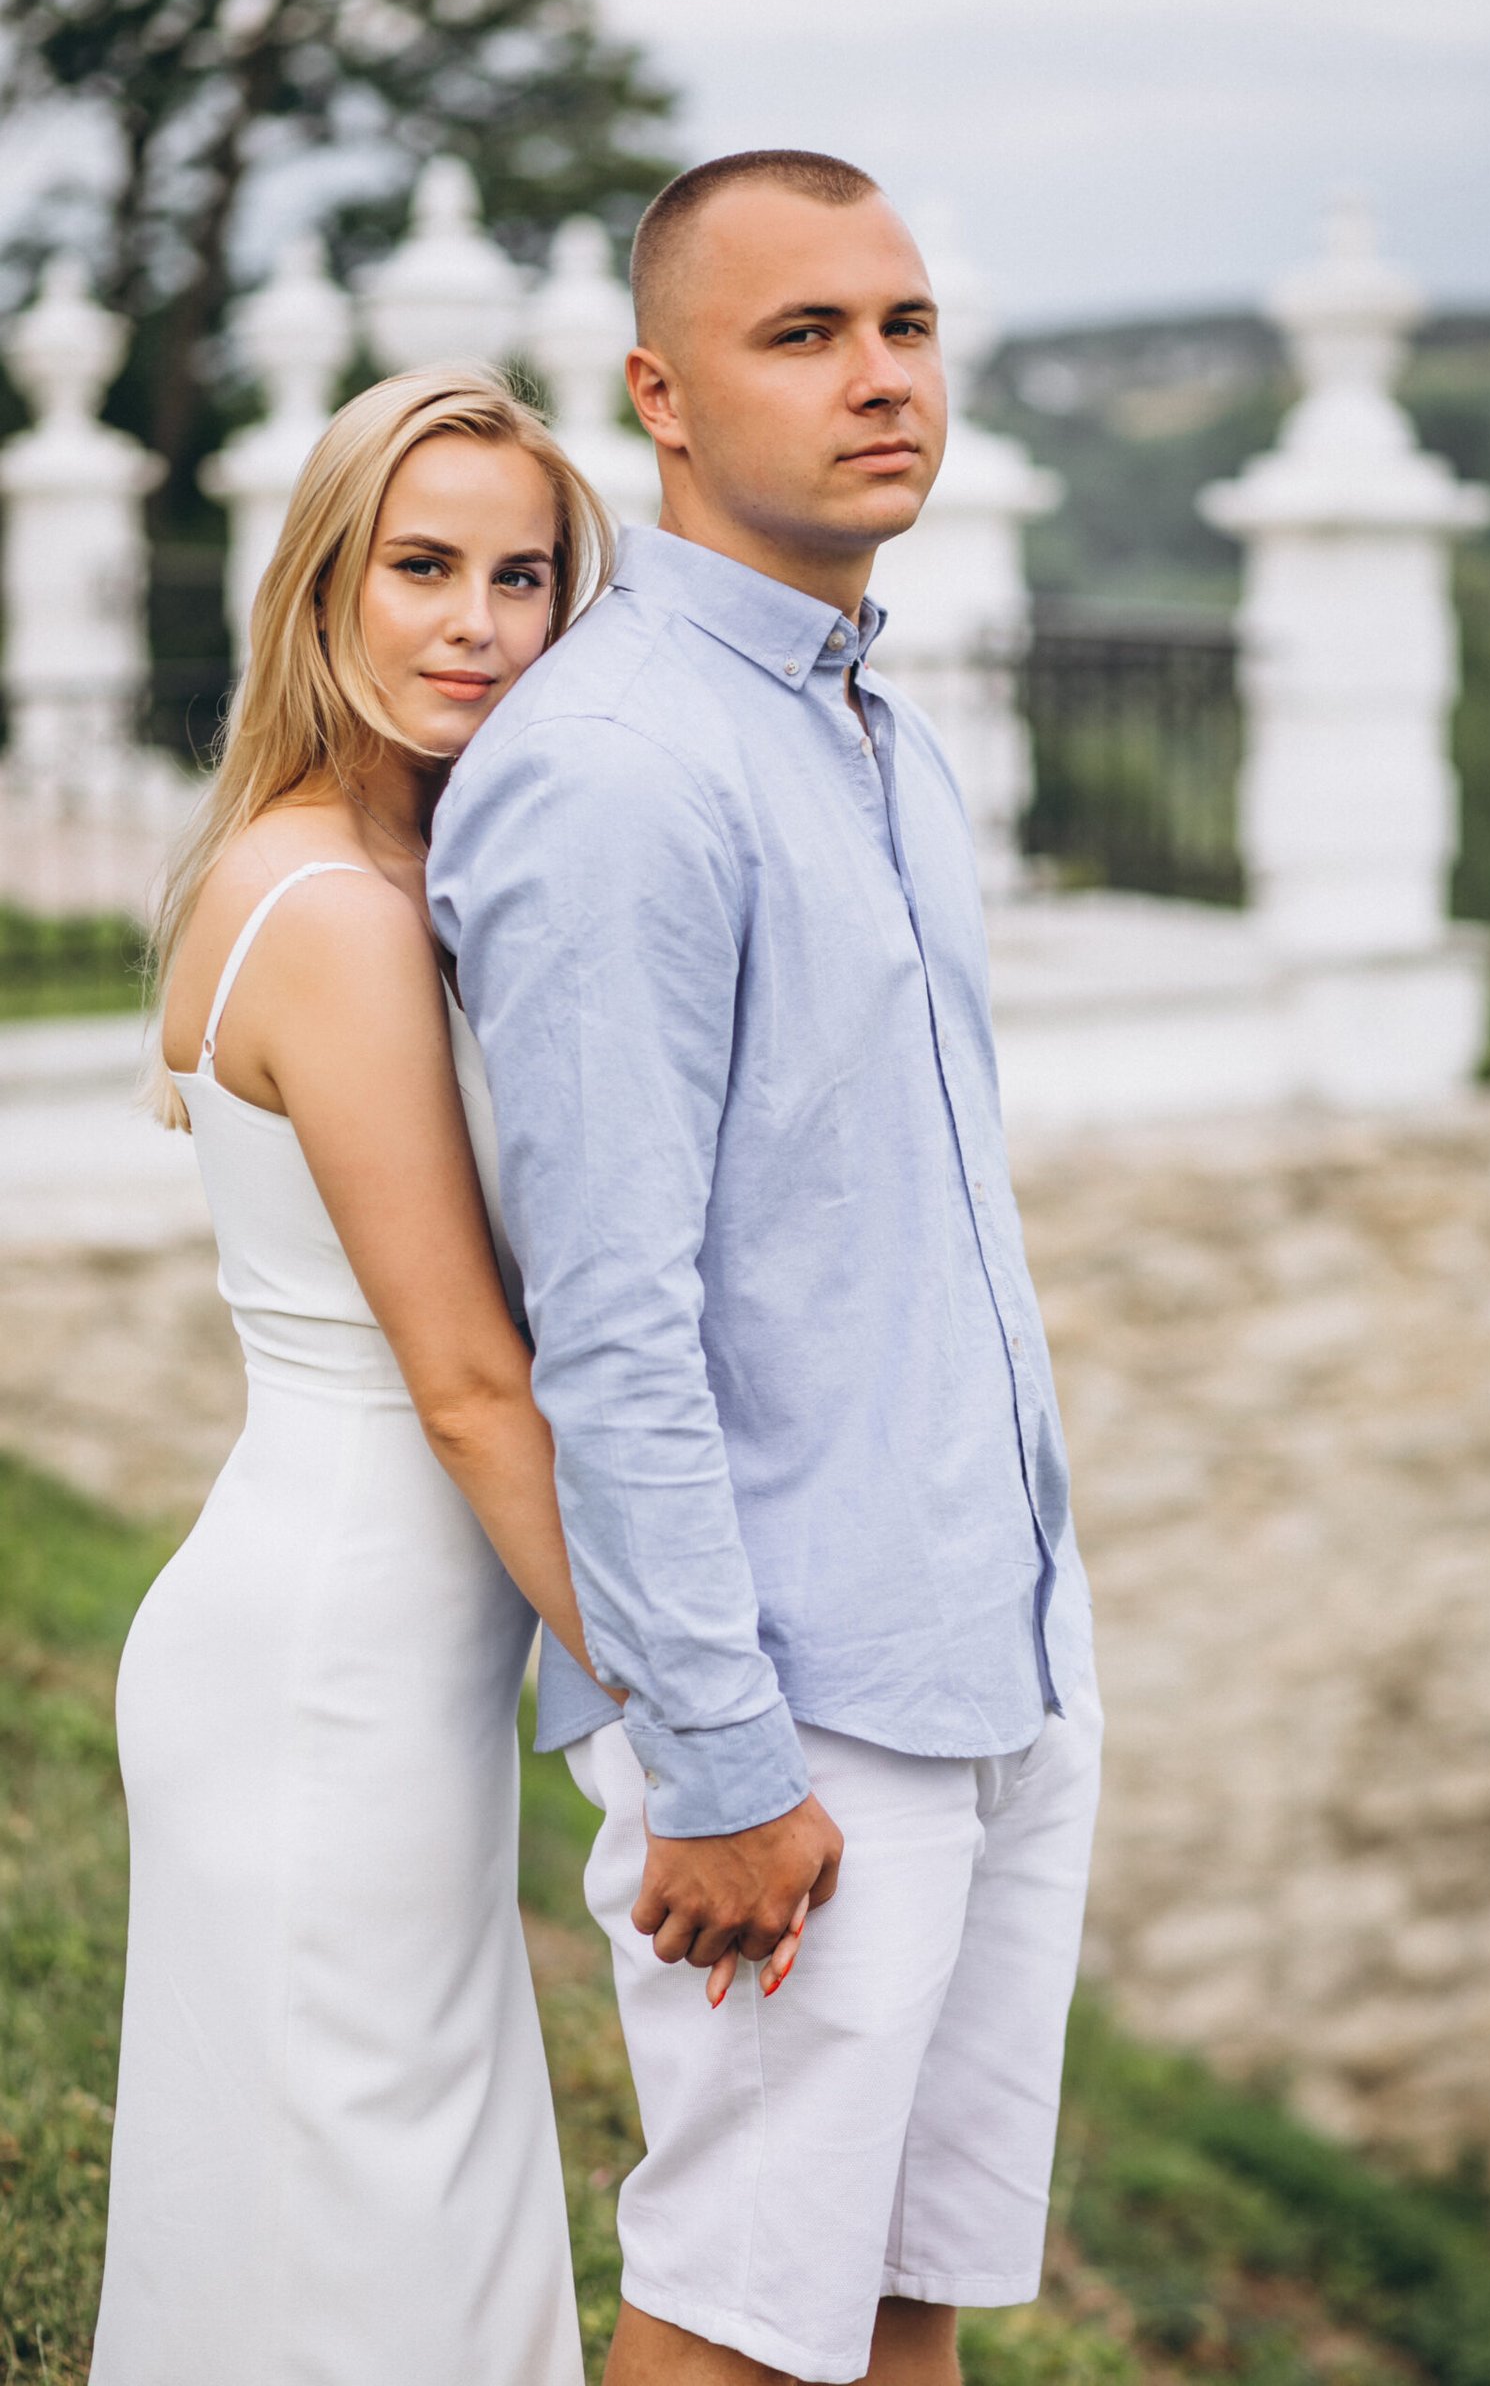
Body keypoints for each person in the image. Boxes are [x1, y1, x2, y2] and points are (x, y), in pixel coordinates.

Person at [428, 151, 1104, 2386]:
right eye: (801, 335)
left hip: (990, 1646)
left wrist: (1043, 1639)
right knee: (732, 2327)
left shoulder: (869, 726)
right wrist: (713, 1759)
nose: (879, 377)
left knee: (904, 2306)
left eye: (902, 326)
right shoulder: (620, 771)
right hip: (794, 1707)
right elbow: (607, 1327)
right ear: (662, 396)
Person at [92, 365, 793, 2386]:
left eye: (523, 576)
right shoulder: (328, 908)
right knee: (366, 2214)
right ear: (325, 583)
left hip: (384, 1645)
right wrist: (690, 1721)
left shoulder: (416, 875)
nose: (476, 624)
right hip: (332, 1653)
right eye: (420, 568)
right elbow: (475, 1384)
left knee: (382, 2183)